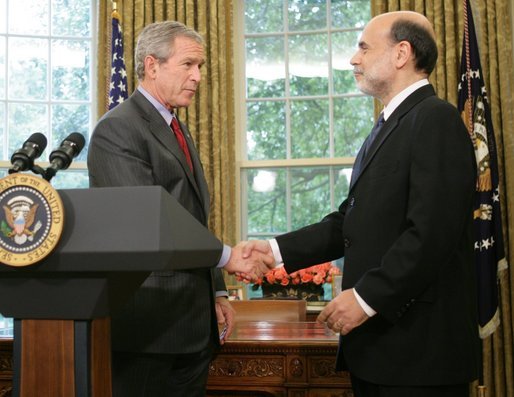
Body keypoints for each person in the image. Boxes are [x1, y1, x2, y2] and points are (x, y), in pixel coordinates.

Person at [243, 11, 480, 397]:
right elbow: (349, 222)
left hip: (419, 357)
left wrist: (366, 298)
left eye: (364, 47)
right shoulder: (389, 125)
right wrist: (273, 250)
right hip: (381, 351)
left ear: (402, 53)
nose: (354, 59)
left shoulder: (436, 120)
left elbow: (430, 234)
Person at [88, 21, 273, 397]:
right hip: (148, 332)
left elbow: (191, 219)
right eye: (188, 65)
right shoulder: (118, 130)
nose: (198, 76)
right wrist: (226, 258)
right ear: (152, 65)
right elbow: (146, 223)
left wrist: (216, 293)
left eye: (200, 67)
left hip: (192, 328)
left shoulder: (176, 126)